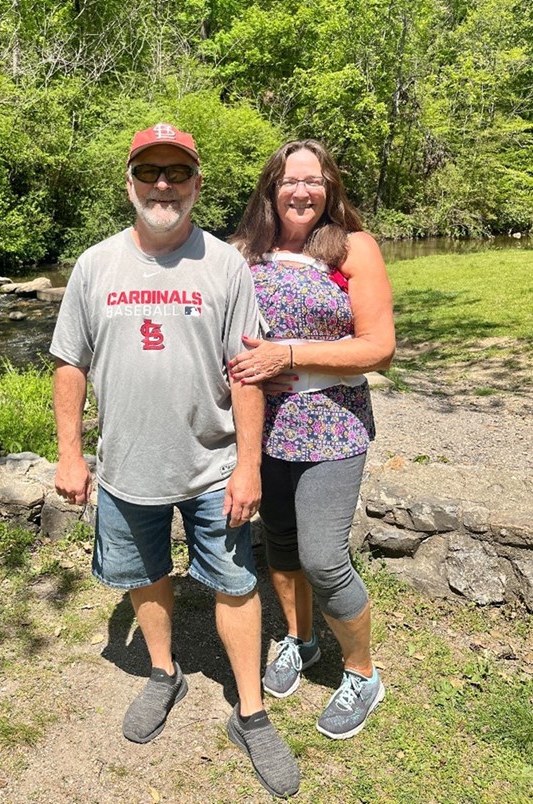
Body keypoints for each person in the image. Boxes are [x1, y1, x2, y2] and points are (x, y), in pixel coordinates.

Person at [50, 123, 300, 797]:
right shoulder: (94, 265)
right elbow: (70, 364)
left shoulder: (223, 265)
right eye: (150, 171)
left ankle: (250, 712)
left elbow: (245, 372)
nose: (164, 184)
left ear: (196, 184)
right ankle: (165, 674)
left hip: (213, 464)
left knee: (236, 583)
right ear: (129, 181)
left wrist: (249, 466)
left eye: (178, 173)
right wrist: (70, 455)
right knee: (147, 575)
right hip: (128, 465)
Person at [228, 139, 395, 740]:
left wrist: (289, 354)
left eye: (315, 179)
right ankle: (302, 639)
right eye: (291, 179)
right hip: (261, 427)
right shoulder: (242, 252)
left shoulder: (354, 248)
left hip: (333, 422)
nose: (303, 190)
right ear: (271, 188)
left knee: (324, 556)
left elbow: (379, 347)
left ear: (330, 189)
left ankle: (362, 673)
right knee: (279, 544)